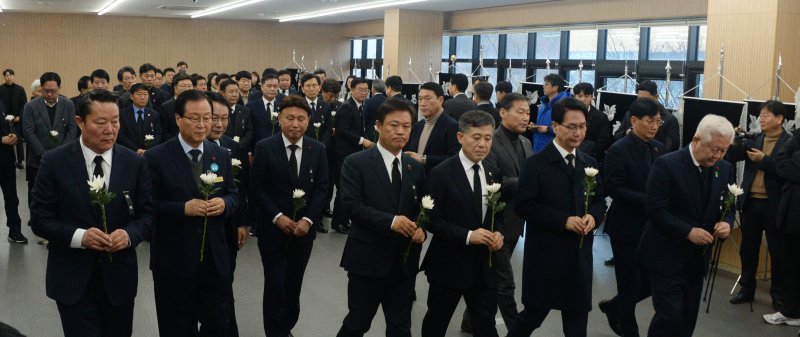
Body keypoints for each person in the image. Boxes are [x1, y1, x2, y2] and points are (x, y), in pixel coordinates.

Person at [30, 89, 154, 337]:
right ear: (80, 122)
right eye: (100, 122)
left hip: (119, 280)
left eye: (115, 121)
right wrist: (81, 237)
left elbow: (148, 214)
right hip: (73, 280)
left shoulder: (134, 162)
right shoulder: (55, 162)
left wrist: (129, 235)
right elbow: (40, 219)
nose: (110, 130)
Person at [144, 89, 239, 336]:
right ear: (178, 119)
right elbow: (147, 205)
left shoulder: (221, 154)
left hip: (215, 260)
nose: (202, 124)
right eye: (194, 118)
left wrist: (225, 204)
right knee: (177, 327)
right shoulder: (156, 157)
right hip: (174, 261)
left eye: (207, 118)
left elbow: (234, 194)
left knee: (218, 325)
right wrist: (182, 209)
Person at [509, 98, 607, 337]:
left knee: (577, 324)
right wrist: (563, 220)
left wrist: (593, 217)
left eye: (582, 126)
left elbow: (599, 200)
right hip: (546, 255)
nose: (578, 133)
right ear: (555, 126)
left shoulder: (588, 162)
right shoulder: (536, 164)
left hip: (579, 256)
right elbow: (524, 206)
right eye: (571, 127)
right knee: (531, 317)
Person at [637, 114, 735, 337]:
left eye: (724, 150)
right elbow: (655, 210)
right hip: (666, 256)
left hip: (697, 260)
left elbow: (729, 206)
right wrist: (688, 232)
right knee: (670, 316)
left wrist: (726, 223)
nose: (718, 156)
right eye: (714, 149)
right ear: (696, 139)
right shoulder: (667, 164)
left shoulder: (724, 168)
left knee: (687, 320)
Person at [335, 98, 426, 337]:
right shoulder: (356, 162)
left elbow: (422, 207)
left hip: (404, 262)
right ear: (378, 125)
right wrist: (392, 221)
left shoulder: (414, 167)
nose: (400, 131)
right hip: (368, 260)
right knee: (357, 323)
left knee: (401, 327)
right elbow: (351, 205)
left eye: (406, 126)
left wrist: (421, 227)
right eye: (394, 125)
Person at [251, 95, 329, 337]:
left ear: (308, 120)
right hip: (272, 230)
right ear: (280, 119)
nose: (295, 124)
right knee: (275, 284)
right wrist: (277, 216)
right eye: (290, 118)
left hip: (303, 232)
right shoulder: (265, 147)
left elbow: (323, 188)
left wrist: (308, 220)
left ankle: (286, 325)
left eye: (301, 119)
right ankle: (276, 332)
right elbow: (257, 188)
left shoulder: (317, 149)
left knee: (294, 283)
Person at [421, 110, 504, 337]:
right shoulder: (441, 173)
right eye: (476, 137)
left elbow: (496, 214)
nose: (482, 144)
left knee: (486, 325)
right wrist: (468, 236)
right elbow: (432, 220)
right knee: (437, 322)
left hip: (484, 266)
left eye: (487, 138)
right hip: (449, 264)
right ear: (460, 137)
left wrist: (498, 233)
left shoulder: (492, 172)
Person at [597, 98, 666, 337]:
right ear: (634, 120)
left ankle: (614, 306)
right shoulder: (618, 150)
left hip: (653, 227)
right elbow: (615, 189)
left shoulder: (659, 148)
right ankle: (629, 331)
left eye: (658, 121)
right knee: (629, 283)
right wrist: (651, 201)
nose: (654, 126)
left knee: (652, 281)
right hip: (626, 226)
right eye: (650, 121)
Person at [466, 93, 532, 329]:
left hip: (516, 222)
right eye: (520, 112)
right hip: (494, 222)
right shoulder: (489, 141)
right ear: (503, 113)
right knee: (505, 282)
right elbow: (490, 180)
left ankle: (469, 321)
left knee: (490, 275)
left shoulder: (526, 142)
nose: (526, 117)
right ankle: (516, 329)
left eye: (528, 112)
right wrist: (526, 182)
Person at [725, 100, 791, 308]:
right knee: (748, 249)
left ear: (779, 119)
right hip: (751, 202)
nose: (761, 119)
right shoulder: (756, 139)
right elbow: (732, 157)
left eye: (765, 115)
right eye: (760, 115)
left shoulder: (789, 143)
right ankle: (747, 289)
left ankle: (778, 295)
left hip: (775, 205)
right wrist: (734, 140)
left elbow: (786, 170)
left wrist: (764, 160)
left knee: (777, 252)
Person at [206, 92, 249, 337]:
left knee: (224, 283)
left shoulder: (233, 147)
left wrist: (242, 223)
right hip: (199, 229)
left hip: (227, 226)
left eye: (224, 118)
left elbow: (242, 189)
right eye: (214, 117)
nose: (219, 124)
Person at [22, 72, 78, 229]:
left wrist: (61, 153)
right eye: (45, 91)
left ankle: (58, 218)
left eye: (53, 91)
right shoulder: (30, 106)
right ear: (41, 88)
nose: (49, 94)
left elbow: (72, 130)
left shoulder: (68, 105)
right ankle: (36, 218)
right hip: (38, 157)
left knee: (61, 189)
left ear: (59, 88)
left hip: (63, 158)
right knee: (35, 189)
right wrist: (43, 154)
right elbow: (28, 132)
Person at [331, 77, 371, 234]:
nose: (364, 93)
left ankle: (344, 220)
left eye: (366, 90)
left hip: (353, 153)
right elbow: (343, 130)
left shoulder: (361, 105)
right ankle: (338, 222)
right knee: (343, 189)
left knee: (350, 189)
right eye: (360, 90)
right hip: (343, 154)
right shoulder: (347, 107)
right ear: (352, 89)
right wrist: (363, 141)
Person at [771, 129, 800, 330]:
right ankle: (790, 310)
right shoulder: (798, 136)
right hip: (791, 215)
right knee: (790, 265)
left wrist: (795, 158)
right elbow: (780, 163)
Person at [404, 82, 459, 173]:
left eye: (427, 98)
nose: (422, 103)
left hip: (437, 179)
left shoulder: (451, 126)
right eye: (420, 99)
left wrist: (424, 159)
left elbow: (454, 159)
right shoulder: (418, 125)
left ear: (440, 100)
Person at [613, 80, 680, 152]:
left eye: (646, 100)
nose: (642, 103)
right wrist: (627, 133)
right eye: (639, 99)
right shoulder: (631, 113)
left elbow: (671, 148)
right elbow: (616, 136)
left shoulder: (669, 119)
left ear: (656, 97)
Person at [1, 103, 25, 244]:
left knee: (12, 198)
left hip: (6, 159)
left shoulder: (1, 102)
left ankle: (15, 231)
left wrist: (12, 135)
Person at [572, 82, 612, 165]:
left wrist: (589, 159)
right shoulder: (567, 114)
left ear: (591, 97)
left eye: (586, 96)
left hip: (590, 160)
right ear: (574, 97)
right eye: (579, 96)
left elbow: (603, 142)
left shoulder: (601, 117)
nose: (583, 99)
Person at [117, 83, 162, 154]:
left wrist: (147, 148)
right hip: (128, 152)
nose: (143, 97)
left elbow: (158, 134)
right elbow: (121, 136)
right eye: (139, 94)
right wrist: (136, 149)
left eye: (145, 94)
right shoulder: (123, 114)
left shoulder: (154, 114)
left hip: (148, 152)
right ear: (131, 96)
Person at [532, 73, 570, 153]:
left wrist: (548, 129)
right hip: (538, 148)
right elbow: (542, 126)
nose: (543, 86)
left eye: (546, 84)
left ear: (555, 87)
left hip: (553, 150)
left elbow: (568, 129)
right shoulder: (544, 103)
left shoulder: (564, 105)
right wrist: (535, 127)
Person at [247, 74, 283, 152]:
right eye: (269, 86)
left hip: (278, 149)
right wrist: (249, 151)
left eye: (275, 86)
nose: (272, 89)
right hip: (257, 148)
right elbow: (249, 131)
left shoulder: (282, 107)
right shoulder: (251, 106)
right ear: (262, 87)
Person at [0, 69, 28, 170]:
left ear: (13, 76)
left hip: (17, 119)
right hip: (3, 120)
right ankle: (10, 160)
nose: (9, 77)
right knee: (7, 139)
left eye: (11, 75)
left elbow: (24, 104)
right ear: (4, 77)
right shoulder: (0, 89)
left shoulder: (20, 89)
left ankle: (20, 161)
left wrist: (20, 116)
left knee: (18, 139)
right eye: (7, 75)